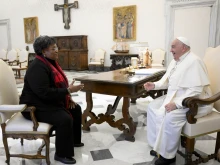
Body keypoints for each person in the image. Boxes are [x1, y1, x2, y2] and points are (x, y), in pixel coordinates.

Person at [144, 37, 213, 165]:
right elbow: (168, 80)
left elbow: (196, 90)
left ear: (184, 47)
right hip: (178, 97)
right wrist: (155, 85)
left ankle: (168, 156)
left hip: (196, 102)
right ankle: (158, 146)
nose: (170, 50)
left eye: (173, 47)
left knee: (171, 116)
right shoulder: (176, 61)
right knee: (152, 107)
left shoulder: (194, 61)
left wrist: (176, 104)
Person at [20, 35, 84, 164]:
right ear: (44, 51)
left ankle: (74, 141)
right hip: (34, 107)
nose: (57, 50)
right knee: (64, 118)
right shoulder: (37, 67)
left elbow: (53, 88)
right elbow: (44, 93)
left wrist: (67, 96)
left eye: (56, 47)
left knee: (75, 109)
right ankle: (61, 154)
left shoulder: (49, 63)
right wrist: (68, 91)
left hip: (45, 102)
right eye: (53, 48)